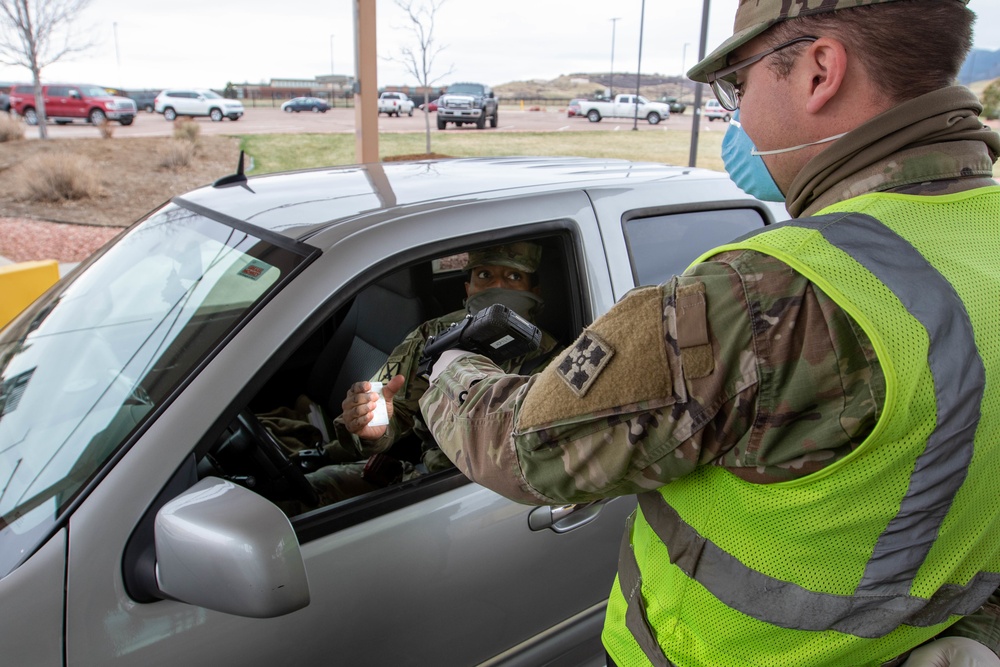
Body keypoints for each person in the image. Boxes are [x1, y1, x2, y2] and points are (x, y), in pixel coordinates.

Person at [417, 1, 1000, 665]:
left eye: (739, 85)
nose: (739, 117)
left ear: (820, 70)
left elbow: (522, 445)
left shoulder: (767, 294)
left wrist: (446, 368)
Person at [300, 241, 561, 506]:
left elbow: (530, 454)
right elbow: (389, 404)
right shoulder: (435, 334)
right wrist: (371, 428)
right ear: (468, 288)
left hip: (486, 494)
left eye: (514, 277)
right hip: (428, 476)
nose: (499, 286)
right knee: (309, 489)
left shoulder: (552, 361)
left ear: (534, 291)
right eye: (485, 275)